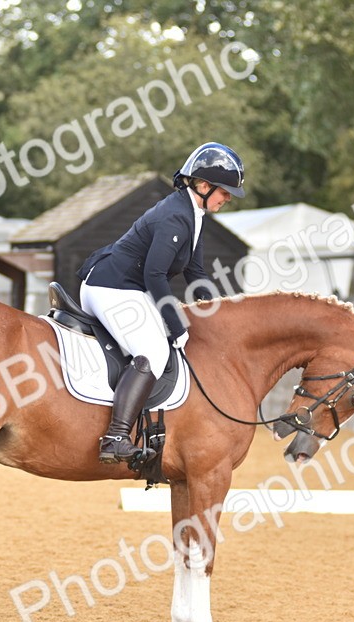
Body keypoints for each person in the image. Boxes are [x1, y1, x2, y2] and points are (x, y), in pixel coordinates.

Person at [76, 142, 245, 462]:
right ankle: (115, 437)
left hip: (128, 288)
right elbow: (155, 275)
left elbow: (194, 269)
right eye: (224, 192)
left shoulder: (194, 213)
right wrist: (174, 322)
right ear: (204, 186)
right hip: (112, 288)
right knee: (153, 350)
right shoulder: (175, 217)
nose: (227, 199)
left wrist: (216, 307)